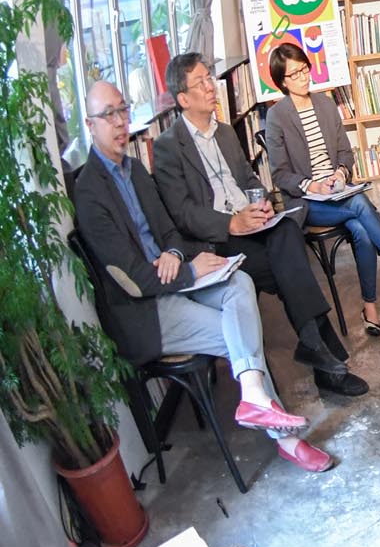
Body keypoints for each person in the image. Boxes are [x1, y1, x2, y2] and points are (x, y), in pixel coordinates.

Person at [71, 81, 335, 473]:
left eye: (123, 110)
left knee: (240, 282)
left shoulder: (135, 170)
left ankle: (252, 394)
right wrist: (189, 270)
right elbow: (132, 280)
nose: (120, 122)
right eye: (108, 115)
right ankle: (287, 441)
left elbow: (170, 231)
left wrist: (176, 254)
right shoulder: (89, 192)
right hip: (146, 309)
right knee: (239, 332)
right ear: (90, 124)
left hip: (175, 277)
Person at [149, 53, 366, 398]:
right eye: (201, 82)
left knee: (287, 230)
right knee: (288, 263)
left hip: (254, 224)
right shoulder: (167, 147)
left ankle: (317, 350)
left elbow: (249, 179)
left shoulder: (224, 133)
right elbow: (183, 213)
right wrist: (232, 223)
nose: (211, 86)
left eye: (209, 78)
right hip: (219, 241)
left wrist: (261, 201)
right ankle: (324, 361)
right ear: (183, 99)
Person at [261, 40, 380, 336]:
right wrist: (313, 185)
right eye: (294, 74)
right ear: (282, 81)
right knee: (360, 205)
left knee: (361, 229)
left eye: (305, 69)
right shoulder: (277, 116)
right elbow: (280, 173)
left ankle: (369, 308)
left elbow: (345, 153)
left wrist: (340, 173)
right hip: (309, 201)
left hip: (338, 191)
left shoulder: (325, 104)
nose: (303, 77)